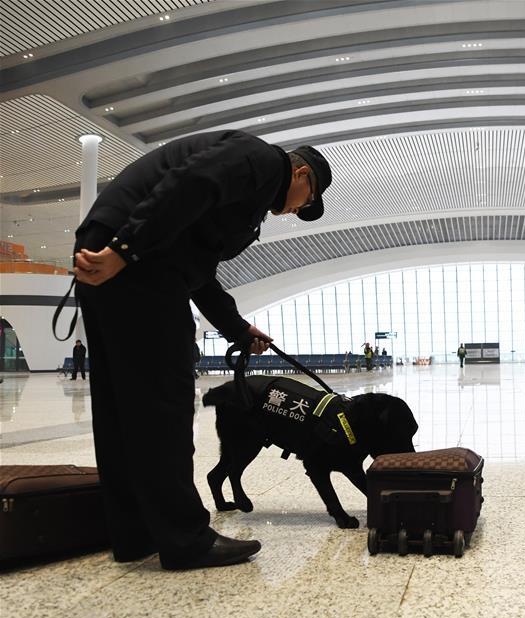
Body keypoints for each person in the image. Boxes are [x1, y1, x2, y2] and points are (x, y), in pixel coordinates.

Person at [71, 130, 332, 570]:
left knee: (122, 409)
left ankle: (135, 534)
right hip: (136, 263)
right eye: (305, 202)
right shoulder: (262, 161)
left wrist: (237, 328)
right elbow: (190, 182)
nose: (296, 210)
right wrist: (124, 250)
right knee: (165, 406)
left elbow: (198, 270)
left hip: (125, 258)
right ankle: (185, 539)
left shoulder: (244, 191)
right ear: (301, 173)